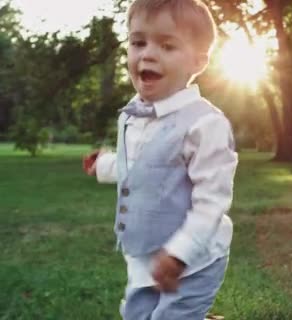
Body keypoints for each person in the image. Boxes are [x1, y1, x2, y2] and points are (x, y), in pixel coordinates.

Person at [82, 0, 237, 319]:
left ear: (198, 61)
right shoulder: (131, 115)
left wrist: (180, 253)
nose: (148, 54)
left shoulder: (205, 125)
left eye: (167, 45)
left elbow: (212, 202)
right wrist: (106, 165)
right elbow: (141, 165)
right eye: (138, 42)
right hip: (142, 257)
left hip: (194, 262)